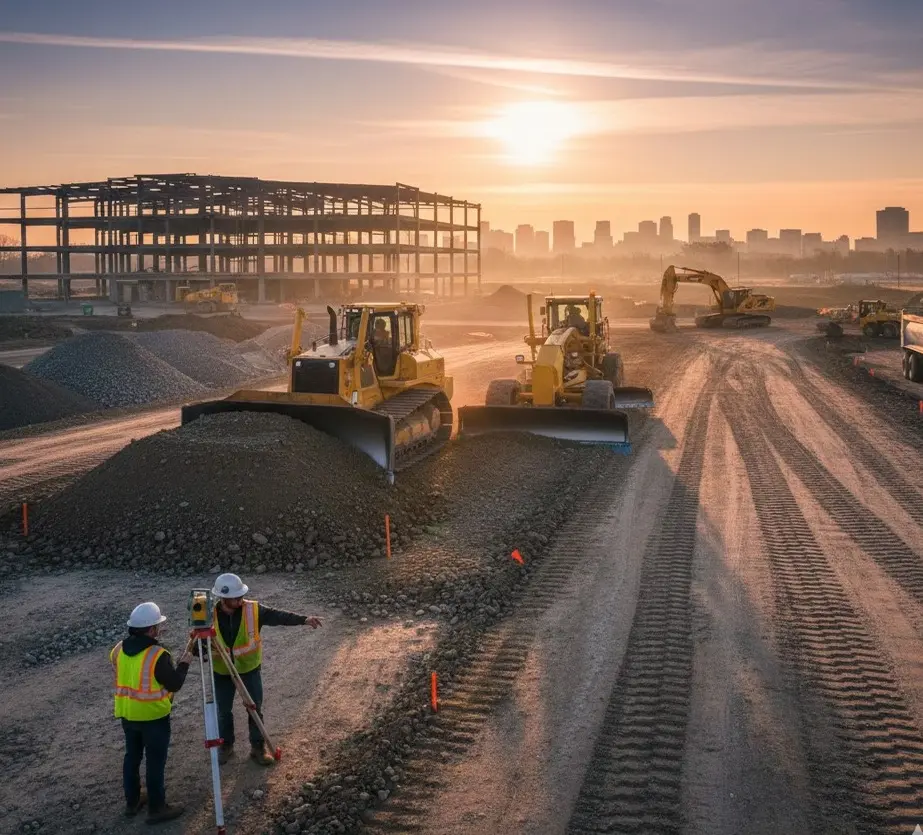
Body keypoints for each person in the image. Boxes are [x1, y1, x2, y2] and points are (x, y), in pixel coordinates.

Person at [207, 573, 323, 766]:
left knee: (254, 708)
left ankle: (257, 748)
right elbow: (198, 648)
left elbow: (278, 616)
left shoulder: (253, 609)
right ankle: (226, 745)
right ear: (223, 598)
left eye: (240, 596)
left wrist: (304, 619)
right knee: (223, 711)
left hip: (249, 669)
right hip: (222, 671)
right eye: (235, 598)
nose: (240, 600)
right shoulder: (208, 615)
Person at [110, 601, 192, 825]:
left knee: (132, 757)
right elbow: (174, 683)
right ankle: (156, 808)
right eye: (158, 626)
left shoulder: (118, 649)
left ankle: (132, 801)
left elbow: (118, 666)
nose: (160, 630)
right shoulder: (157, 655)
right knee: (155, 762)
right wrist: (185, 662)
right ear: (151, 629)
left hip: (127, 715)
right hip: (153, 718)